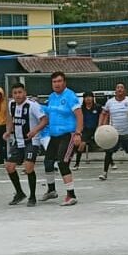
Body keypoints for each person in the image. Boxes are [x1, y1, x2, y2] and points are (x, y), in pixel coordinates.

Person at [30, 71, 81, 205]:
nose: (56, 84)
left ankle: (71, 195)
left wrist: (78, 133)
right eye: (54, 82)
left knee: (62, 162)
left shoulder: (70, 96)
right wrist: (34, 105)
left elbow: (79, 115)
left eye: (59, 81)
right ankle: (51, 190)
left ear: (64, 82)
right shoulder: (52, 97)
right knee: (48, 162)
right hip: (54, 135)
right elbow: (47, 112)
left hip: (68, 134)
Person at [3, 82, 47, 206]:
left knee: (28, 167)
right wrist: (8, 131)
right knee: (9, 167)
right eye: (15, 93)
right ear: (12, 95)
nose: (18, 95)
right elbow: (10, 120)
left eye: (20, 92)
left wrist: (34, 130)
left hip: (31, 141)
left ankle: (32, 196)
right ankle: (19, 193)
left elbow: (44, 120)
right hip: (18, 141)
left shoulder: (33, 106)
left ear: (25, 93)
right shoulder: (11, 104)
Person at [99, 82, 128, 179]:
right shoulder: (110, 102)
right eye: (118, 88)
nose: (119, 89)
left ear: (125, 90)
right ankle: (104, 173)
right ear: (115, 90)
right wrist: (100, 126)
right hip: (114, 133)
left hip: (127, 133)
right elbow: (104, 113)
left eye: (122, 88)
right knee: (108, 153)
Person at [75, 92, 100, 170]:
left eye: (90, 97)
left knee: (104, 144)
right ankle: (77, 164)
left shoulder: (98, 107)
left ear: (93, 98)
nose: (88, 99)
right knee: (81, 146)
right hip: (86, 130)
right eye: (86, 97)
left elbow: (103, 116)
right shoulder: (81, 108)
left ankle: (111, 163)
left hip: (96, 129)